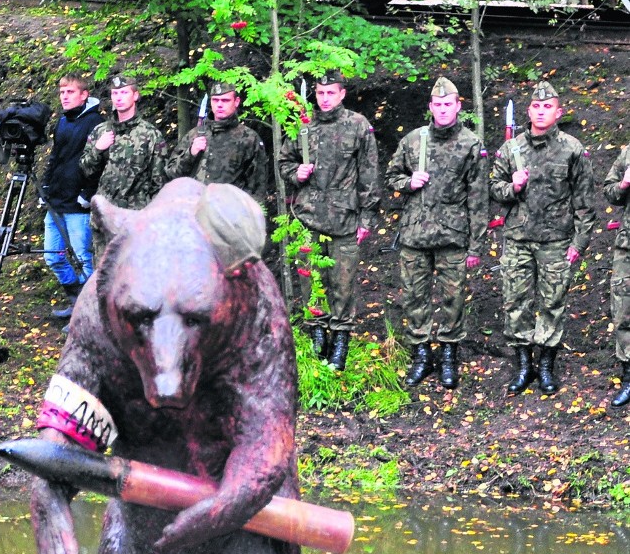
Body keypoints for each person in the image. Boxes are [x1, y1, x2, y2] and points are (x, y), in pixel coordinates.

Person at [489, 80, 595, 396]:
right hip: (518, 240)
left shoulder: (572, 150)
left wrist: (579, 243)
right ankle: (524, 366)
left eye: (547, 106)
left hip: (556, 243)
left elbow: (585, 202)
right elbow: (494, 189)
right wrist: (513, 187)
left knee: (553, 304)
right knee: (516, 303)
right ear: (529, 110)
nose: (541, 111)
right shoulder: (511, 149)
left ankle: (546, 366)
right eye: (536, 106)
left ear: (558, 112)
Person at [385, 76, 488, 390]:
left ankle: (448, 357)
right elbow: (392, 174)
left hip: (452, 237)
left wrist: (475, 245)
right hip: (415, 236)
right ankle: (421, 356)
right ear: (430, 107)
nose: (443, 110)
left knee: (452, 300)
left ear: (458, 106)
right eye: (438, 105)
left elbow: (478, 197)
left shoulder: (471, 144)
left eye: (448, 105)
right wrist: (408, 183)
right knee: (414, 298)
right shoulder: (414, 140)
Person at [278, 70, 380, 370]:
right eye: (320, 94)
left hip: (345, 219)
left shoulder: (358, 126)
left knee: (342, 283)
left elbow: (370, 174)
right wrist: (295, 173)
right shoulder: (303, 126)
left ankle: (341, 340)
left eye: (330, 93)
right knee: (310, 281)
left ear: (341, 94)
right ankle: (317, 335)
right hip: (307, 216)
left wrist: (367, 217)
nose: (324, 99)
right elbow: (284, 161)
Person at [79, 73, 167, 259]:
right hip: (104, 217)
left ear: (135, 96)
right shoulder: (101, 131)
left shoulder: (150, 134)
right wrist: (98, 148)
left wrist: (151, 219)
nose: (119, 98)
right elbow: (85, 170)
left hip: (135, 218)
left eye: (124, 93)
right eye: (115, 94)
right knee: (104, 277)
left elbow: (158, 182)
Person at [40, 72, 102, 322]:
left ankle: (87, 314)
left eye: (70, 92)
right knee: (52, 255)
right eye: (62, 92)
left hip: (78, 205)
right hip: (56, 201)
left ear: (84, 95)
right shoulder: (63, 122)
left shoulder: (96, 123)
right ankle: (76, 299)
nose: (64, 97)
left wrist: (87, 194)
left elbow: (98, 163)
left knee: (82, 257)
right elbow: (55, 157)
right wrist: (45, 186)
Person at [166, 79, 267, 207]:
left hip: (228, 217)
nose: (219, 105)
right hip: (194, 215)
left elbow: (258, 188)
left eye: (225, 100)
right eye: (215, 100)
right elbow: (171, 174)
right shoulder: (195, 134)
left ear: (236, 102)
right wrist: (190, 153)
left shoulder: (249, 139)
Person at [602, 146, 630, 408]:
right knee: (623, 310)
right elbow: (609, 191)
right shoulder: (628, 153)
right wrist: (624, 183)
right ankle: (629, 375)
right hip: (628, 247)